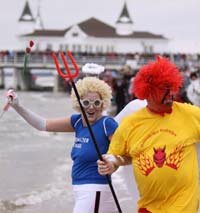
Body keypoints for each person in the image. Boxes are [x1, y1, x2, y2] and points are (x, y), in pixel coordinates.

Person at [97, 56, 200, 213]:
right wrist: (111, 164)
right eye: (164, 91)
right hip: (148, 207)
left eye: (171, 89)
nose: (170, 95)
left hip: (184, 206)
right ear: (148, 92)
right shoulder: (131, 123)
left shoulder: (189, 114)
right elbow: (118, 155)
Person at [6, 76, 118, 213]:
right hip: (79, 188)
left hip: (95, 188)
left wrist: (113, 165)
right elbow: (42, 125)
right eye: (86, 102)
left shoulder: (107, 124)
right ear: (79, 103)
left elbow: (121, 152)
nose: (91, 107)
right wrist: (17, 106)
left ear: (103, 103)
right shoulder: (77, 122)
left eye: (96, 102)